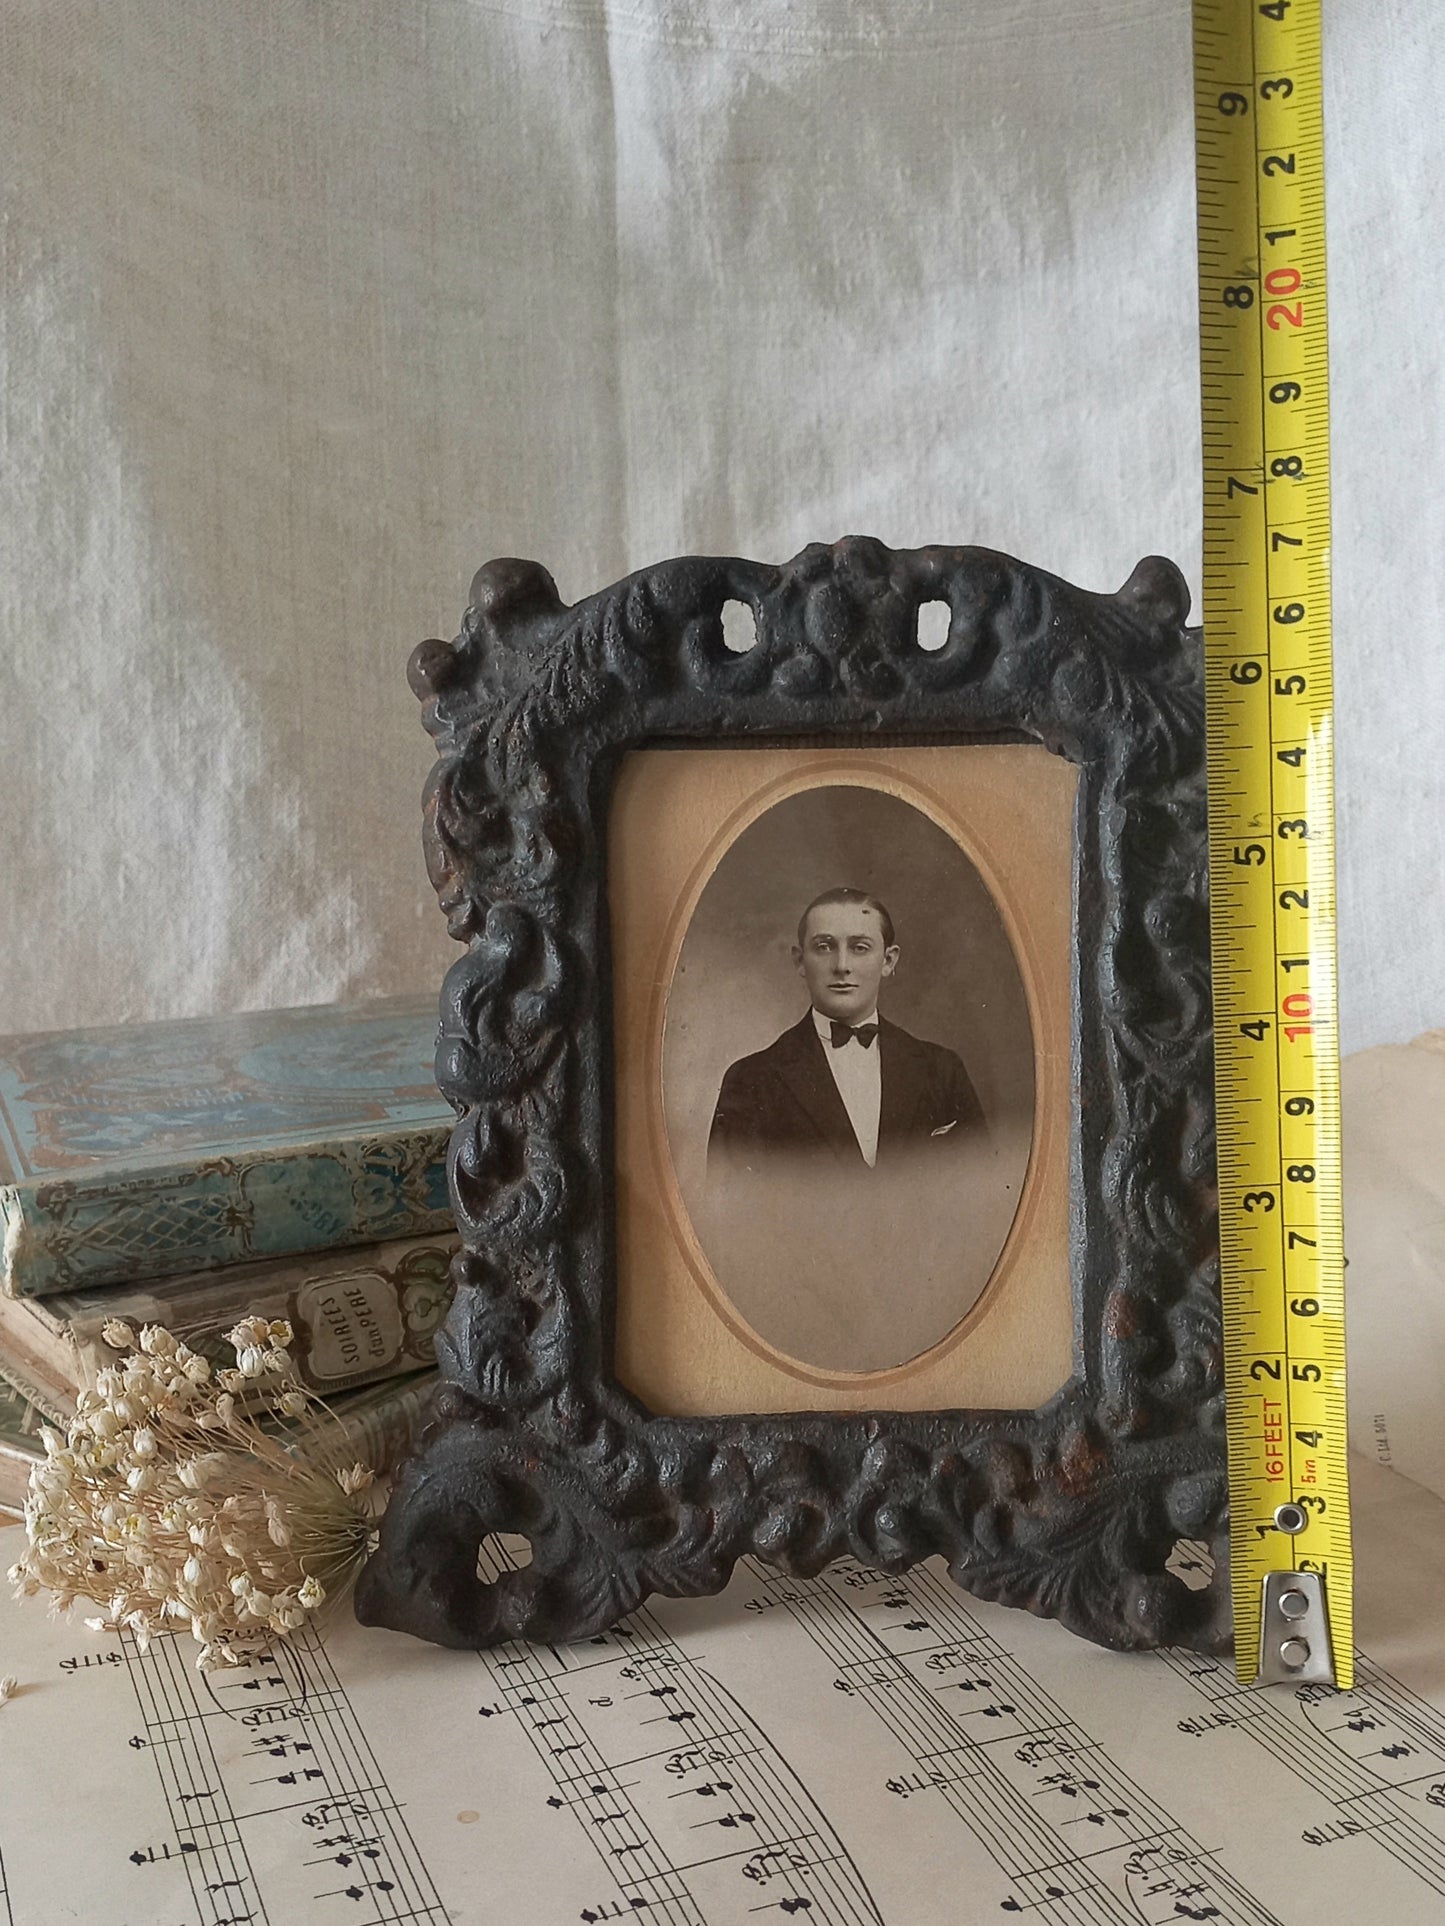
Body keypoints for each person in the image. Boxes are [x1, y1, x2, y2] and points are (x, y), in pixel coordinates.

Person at [707, 887, 986, 1174]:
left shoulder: (943, 1070)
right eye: (824, 947)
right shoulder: (751, 1080)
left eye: (859, 948)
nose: (842, 966)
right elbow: (729, 1210)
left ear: (888, 961)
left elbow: (981, 1193)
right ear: (800, 961)